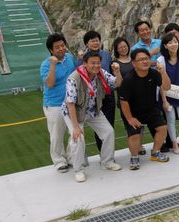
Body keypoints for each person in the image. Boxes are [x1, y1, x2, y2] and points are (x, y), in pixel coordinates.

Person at [62, 50, 123, 183]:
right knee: (78, 137)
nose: (96, 65)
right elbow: (70, 103)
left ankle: (107, 162)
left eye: (98, 63)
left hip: (93, 109)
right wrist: (76, 127)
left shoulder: (101, 73)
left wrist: (117, 72)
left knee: (109, 132)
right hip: (75, 112)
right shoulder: (74, 78)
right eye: (92, 63)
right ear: (85, 63)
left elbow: (117, 83)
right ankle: (78, 170)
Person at [118, 48, 172, 169]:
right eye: (141, 59)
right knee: (135, 135)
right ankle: (134, 157)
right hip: (132, 112)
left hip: (150, 109)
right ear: (134, 63)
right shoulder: (128, 79)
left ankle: (155, 152)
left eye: (147, 59)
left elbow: (167, 87)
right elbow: (123, 102)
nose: (145, 61)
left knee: (162, 128)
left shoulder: (154, 73)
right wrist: (130, 119)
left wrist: (163, 73)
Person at [40, 33, 76, 173]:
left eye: (62, 45)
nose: (61, 49)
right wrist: (53, 65)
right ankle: (59, 161)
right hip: (54, 104)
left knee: (74, 131)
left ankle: (72, 157)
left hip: (70, 102)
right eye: (57, 47)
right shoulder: (45, 65)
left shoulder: (70, 58)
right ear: (51, 50)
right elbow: (49, 84)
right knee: (56, 134)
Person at [78, 31, 116, 151]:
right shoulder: (82, 58)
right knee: (98, 128)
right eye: (92, 40)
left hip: (108, 95)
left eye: (97, 40)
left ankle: (109, 155)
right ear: (86, 44)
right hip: (93, 97)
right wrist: (79, 60)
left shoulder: (106, 55)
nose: (95, 43)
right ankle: (102, 153)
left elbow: (111, 74)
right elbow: (79, 73)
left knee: (109, 126)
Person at [113, 36, 145, 156]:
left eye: (125, 46)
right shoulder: (115, 63)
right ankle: (134, 150)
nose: (123, 49)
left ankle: (140, 145)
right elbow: (119, 83)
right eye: (120, 47)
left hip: (138, 97)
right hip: (125, 99)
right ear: (116, 49)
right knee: (130, 126)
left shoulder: (134, 60)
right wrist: (117, 71)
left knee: (141, 124)